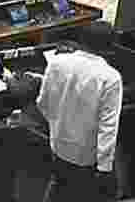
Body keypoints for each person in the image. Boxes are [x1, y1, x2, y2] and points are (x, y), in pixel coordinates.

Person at [38, 22, 122, 200]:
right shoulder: (110, 78)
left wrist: (58, 129)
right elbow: (108, 127)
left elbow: (43, 103)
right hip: (86, 158)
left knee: (59, 187)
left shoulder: (56, 63)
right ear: (110, 47)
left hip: (57, 146)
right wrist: (105, 168)